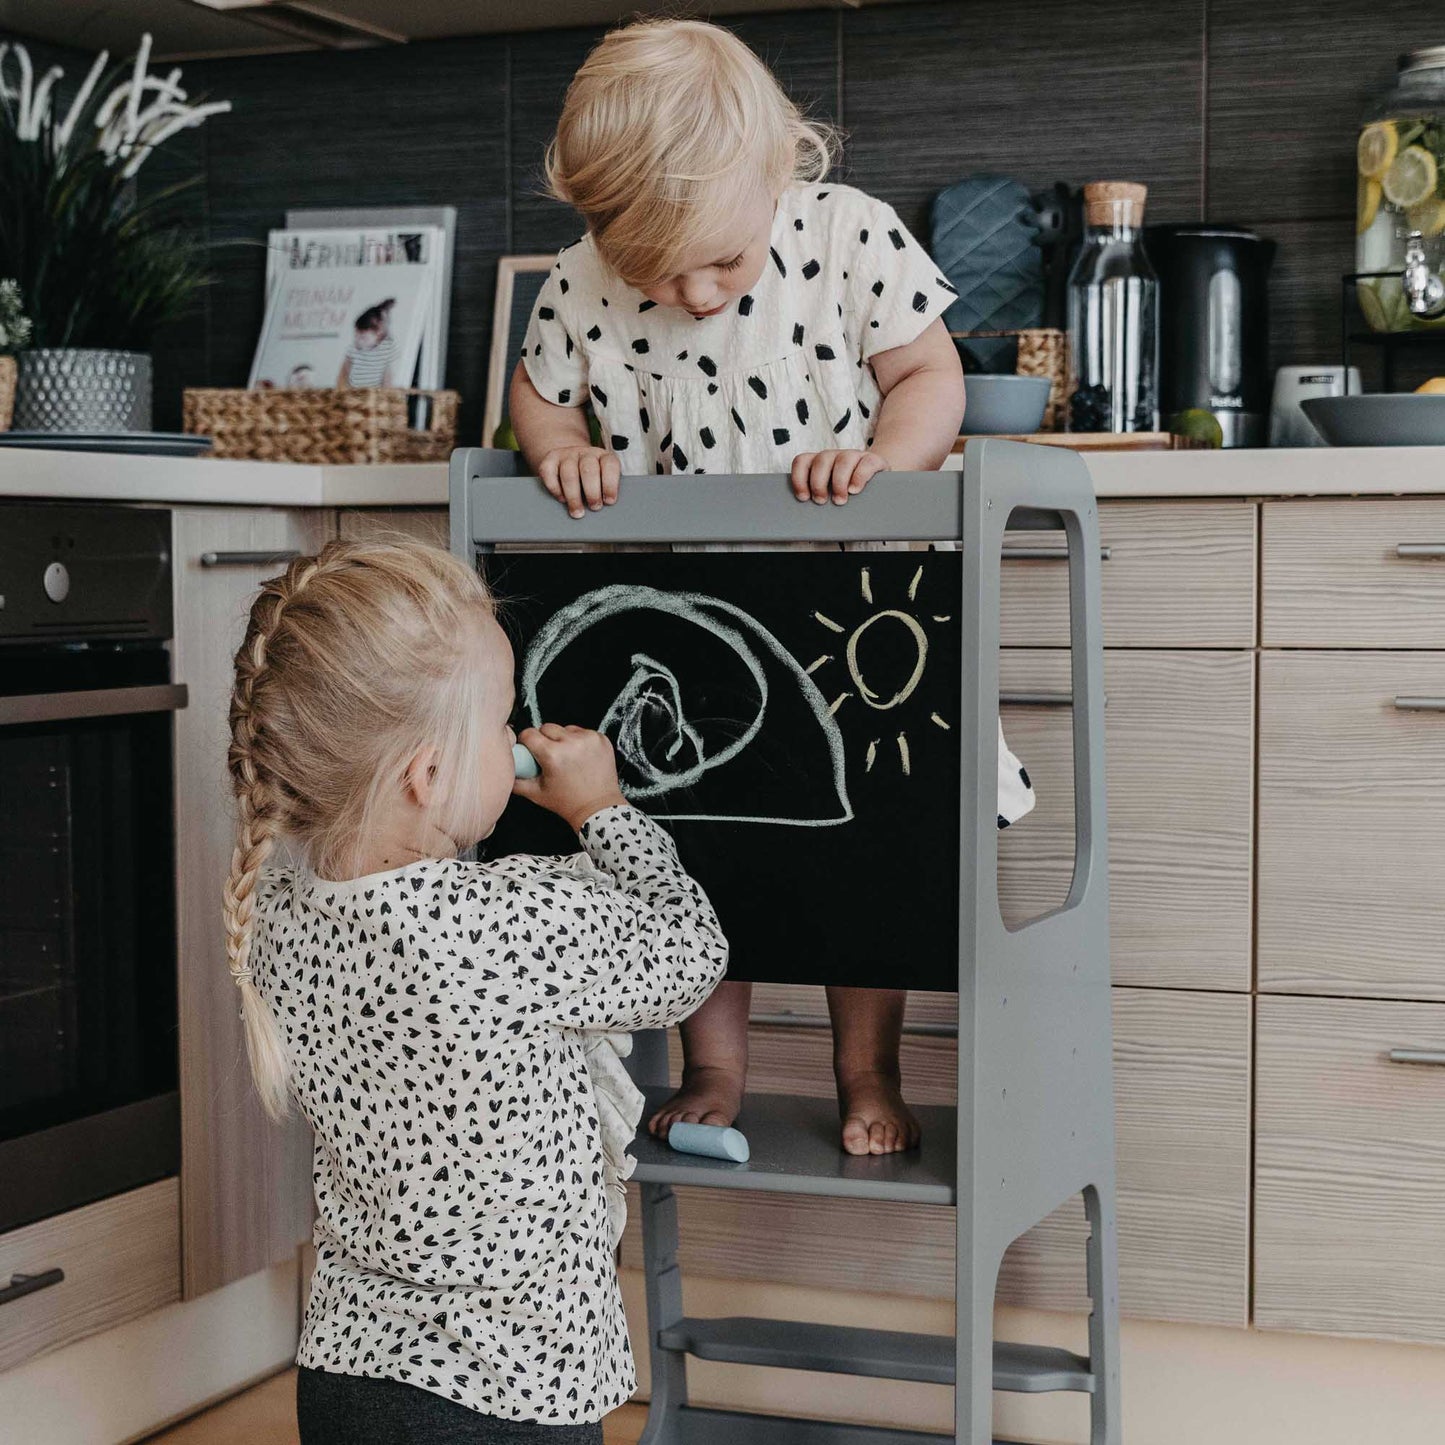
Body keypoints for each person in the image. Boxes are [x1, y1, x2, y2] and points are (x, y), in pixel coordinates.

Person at [509, 17, 1034, 1159]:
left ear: (777, 167)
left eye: (723, 264)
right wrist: (559, 451)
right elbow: (539, 397)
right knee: (701, 853)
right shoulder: (580, 280)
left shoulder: (850, 238)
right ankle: (713, 1065)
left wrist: (884, 465)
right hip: (686, 630)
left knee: (858, 856)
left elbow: (927, 376)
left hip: (850, 619)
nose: (693, 294)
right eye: (656, 271)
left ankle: (865, 1064)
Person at [221, 539, 727, 1441]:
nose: (516, 737)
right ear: (427, 774)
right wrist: (603, 812)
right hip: (510, 1385)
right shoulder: (502, 923)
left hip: (346, 1369)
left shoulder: (281, 907)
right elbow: (690, 951)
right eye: (500, 723)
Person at [336, 298, 396, 387]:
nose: (359, 341)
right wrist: (341, 391)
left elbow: (387, 381)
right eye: (356, 336)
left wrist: (385, 396)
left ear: (378, 336)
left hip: (374, 395)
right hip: (354, 394)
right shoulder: (353, 350)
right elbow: (343, 375)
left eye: (363, 338)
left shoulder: (383, 353)